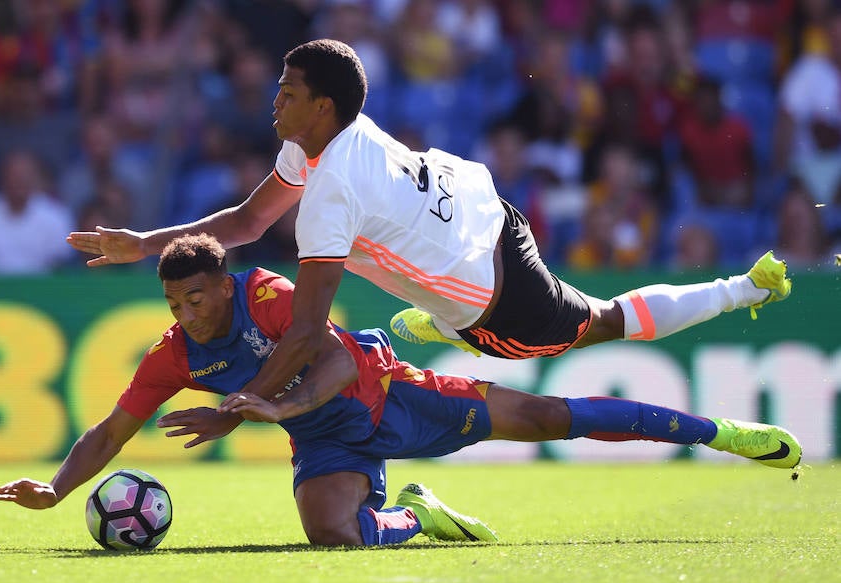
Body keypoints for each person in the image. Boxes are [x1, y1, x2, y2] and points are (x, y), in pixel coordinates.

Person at [66, 39, 791, 403]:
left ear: (323, 106)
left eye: (287, 92)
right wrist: (143, 243)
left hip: (498, 301)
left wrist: (247, 403)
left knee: (602, 322)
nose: (274, 103)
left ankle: (744, 288)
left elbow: (311, 332)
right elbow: (252, 219)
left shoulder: (330, 193)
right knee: (417, 279)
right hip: (481, 203)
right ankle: (433, 318)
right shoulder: (319, 143)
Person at [0, 234, 802, 547]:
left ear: (224, 283)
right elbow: (111, 430)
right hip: (329, 440)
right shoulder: (173, 354)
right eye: (176, 303)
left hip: (392, 395)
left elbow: (338, 363)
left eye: (199, 296)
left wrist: (268, 406)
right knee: (334, 539)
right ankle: (420, 513)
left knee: (554, 415)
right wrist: (60, 487)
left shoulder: (270, 296)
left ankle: (716, 432)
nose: (189, 312)